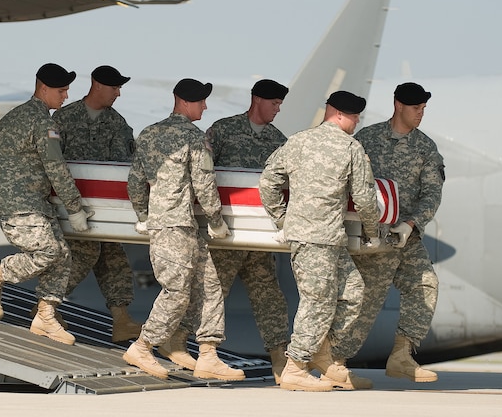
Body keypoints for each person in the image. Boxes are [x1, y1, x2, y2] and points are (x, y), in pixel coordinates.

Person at [122, 78, 245, 382]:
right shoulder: (193, 137)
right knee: (177, 292)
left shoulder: (149, 134)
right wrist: (217, 221)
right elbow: (204, 183)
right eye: (201, 101)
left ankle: (208, 355)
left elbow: (135, 181)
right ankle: (143, 346)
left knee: (210, 285)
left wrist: (143, 214)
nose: (205, 106)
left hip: (173, 226)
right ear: (185, 102)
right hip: (177, 226)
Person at [258, 90, 379, 391]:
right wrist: (373, 232)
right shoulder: (351, 148)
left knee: (353, 291)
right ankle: (296, 367)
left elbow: (268, 181)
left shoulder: (297, 141)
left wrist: (282, 219)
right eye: (354, 116)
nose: (357, 122)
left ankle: (325, 357)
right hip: (318, 240)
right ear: (338, 114)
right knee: (318, 302)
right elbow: (365, 198)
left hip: (325, 239)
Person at [0, 63, 93, 345]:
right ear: (43, 88)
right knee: (48, 251)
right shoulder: (43, 123)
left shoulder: (14, 117)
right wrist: (75, 208)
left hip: (29, 201)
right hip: (20, 204)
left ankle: (45, 317)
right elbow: (56, 168)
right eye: (61, 91)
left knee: (63, 255)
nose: (65, 97)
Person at [337, 82, 444, 382]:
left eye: (424, 109)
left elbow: (432, 194)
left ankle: (401, 355)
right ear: (398, 105)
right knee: (367, 299)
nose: (421, 113)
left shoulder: (425, 148)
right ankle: (335, 361)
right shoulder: (367, 139)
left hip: (406, 234)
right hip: (372, 234)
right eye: (415, 108)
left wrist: (411, 225)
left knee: (425, 285)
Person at [205, 78, 291, 383]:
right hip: (226, 235)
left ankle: (281, 359)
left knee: (270, 297)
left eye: (280, 104)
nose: (277, 109)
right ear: (257, 100)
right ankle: (204, 351)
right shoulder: (224, 130)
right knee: (212, 292)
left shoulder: (278, 140)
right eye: (274, 103)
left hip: (259, 239)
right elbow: (203, 174)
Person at [52, 65, 142, 343]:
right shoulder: (64, 119)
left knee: (114, 260)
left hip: (105, 210)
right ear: (97, 85)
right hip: (73, 207)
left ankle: (121, 319)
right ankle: (45, 306)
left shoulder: (118, 123)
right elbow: (53, 162)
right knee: (82, 257)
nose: (118, 93)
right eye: (114, 88)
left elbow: (127, 164)